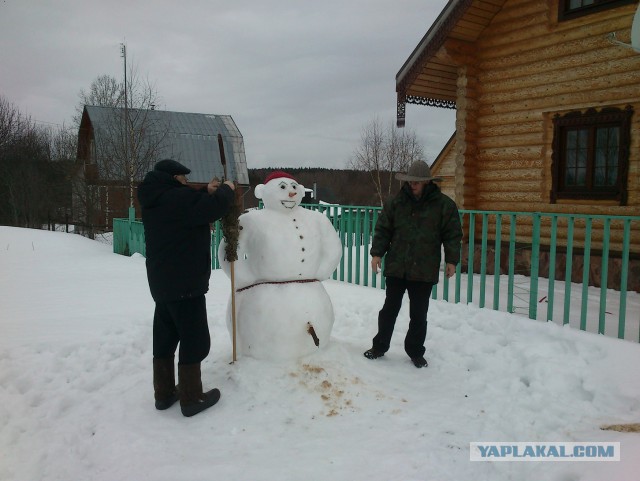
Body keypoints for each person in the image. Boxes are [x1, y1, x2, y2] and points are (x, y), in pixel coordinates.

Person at [137, 158, 236, 417]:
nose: (186, 182)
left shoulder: (155, 197)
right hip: (185, 282)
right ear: (175, 178)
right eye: (183, 179)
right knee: (195, 339)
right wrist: (226, 189)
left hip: (163, 282)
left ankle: (164, 393)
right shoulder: (176, 199)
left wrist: (204, 191)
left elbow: (188, 206)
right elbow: (210, 209)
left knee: (166, 337)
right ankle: (192, 398)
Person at [364, 160, 462, 368]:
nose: (412, 185)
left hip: (424, 269)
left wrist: (452, 260)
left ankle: (415, 351)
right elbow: (383, 230)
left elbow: (452, 234)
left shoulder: (444, 205)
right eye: (410, 181)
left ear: (427, 181)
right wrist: (376, 254)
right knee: (389, 310)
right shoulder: (396, 202)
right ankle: (379, 346)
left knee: (418, 314)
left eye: (417, 182)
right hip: (397, 267)